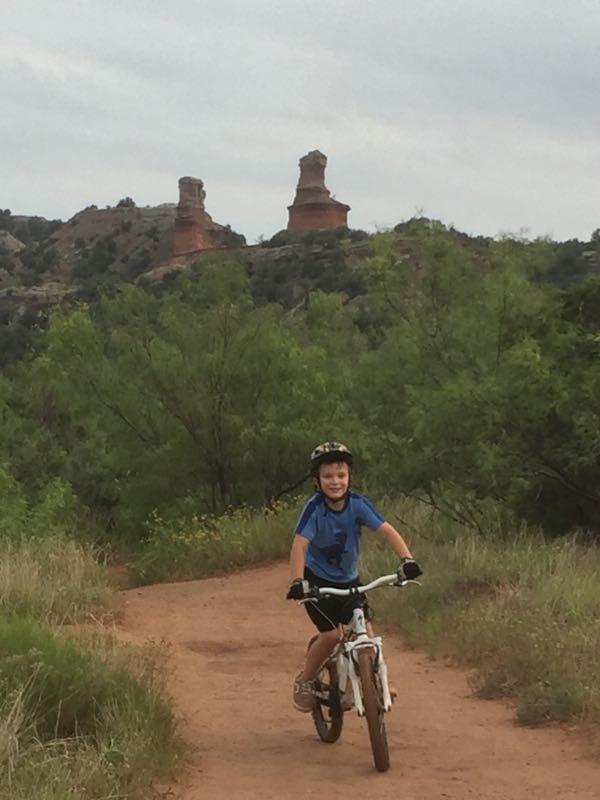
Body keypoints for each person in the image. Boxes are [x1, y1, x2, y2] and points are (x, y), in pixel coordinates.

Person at [285, 441, 422, 712]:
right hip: (317, 582)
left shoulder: (357, 504)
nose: (335, 482)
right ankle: (305, 680)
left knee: (365, 631)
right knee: (332, 636)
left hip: (349, 580)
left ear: (349, 477)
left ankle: (381, 681)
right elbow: (300, 545)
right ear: (317, 480)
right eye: (327, 476)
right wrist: (298, 582)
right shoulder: (314, 509)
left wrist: (407, 560)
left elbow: (386, 530)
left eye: (341, 475)